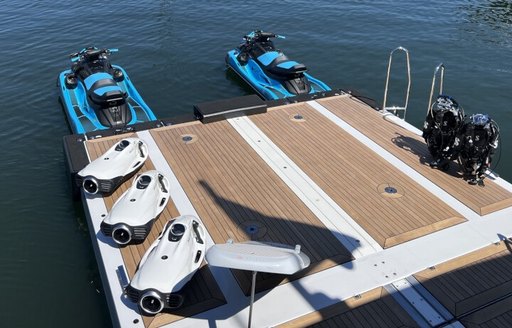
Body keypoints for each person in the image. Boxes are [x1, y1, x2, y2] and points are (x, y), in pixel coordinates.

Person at [422, 95, 465, 171]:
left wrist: (455, 115)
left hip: (448, 140)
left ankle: (443, 160)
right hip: (437, 139)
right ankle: (441, 159)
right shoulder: (435, 113)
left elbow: (459, 128)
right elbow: (427, 127)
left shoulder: (453, 116)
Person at [458, 113, 499, 185]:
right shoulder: (470, 127)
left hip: (482, 151)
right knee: (464, 152)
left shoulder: (491, 130)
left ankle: (479, 173)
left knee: (487, 157)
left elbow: (492, 146)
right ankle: (471, 170)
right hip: (472, 149)